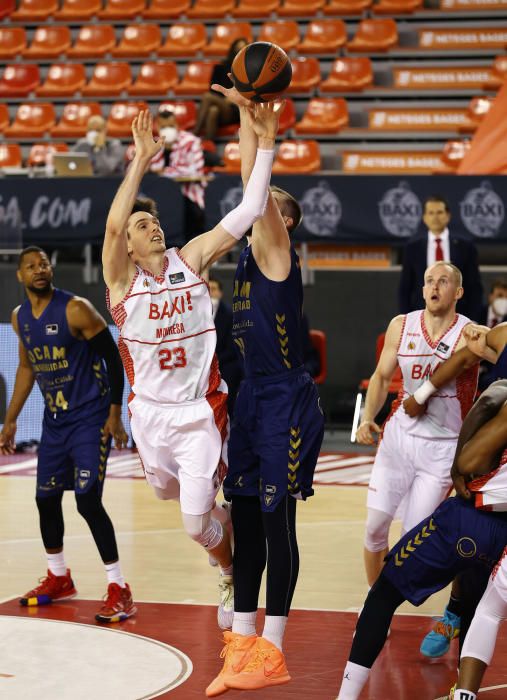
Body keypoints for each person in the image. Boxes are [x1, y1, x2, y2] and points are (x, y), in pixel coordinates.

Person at [102, 107, 280, 631]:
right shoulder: (121, 285)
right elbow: (113, 223)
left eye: (153, 221)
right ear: (129, 247)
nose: (150, 227)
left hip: (200, 412)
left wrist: (264, 145)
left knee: (193, 520)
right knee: (167, 494)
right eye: (141, 225)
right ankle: (220, 531)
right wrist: (140, 161)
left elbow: (250, 208)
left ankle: (225, 569)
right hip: (148, 416)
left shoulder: (192, 259)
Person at [205, 91, 325, 697]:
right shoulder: (247, 257)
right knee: (247, 522)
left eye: (269, 201)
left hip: (285, 402)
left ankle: (273, 649)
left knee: (278, 526)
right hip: (251, 399)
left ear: (285, 220)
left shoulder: (276, 250)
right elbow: (249, 184)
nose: (256, 202)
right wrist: (248, 116)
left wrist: (267, 137)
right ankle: (242, 645)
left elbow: (260, 190)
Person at [337, 379, 507, 700]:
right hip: (502, 540)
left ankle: (346, 695)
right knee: (481, 607)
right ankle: (464, 690)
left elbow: (488, 401)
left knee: (383, 595)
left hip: (470, 517)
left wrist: (457, 469)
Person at [0, 246, 135, 623]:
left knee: (88, 501)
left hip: (90, 419)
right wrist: (9, 420)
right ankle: (59, 576)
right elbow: (27, 368)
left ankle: (119, 587)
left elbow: (113, 357)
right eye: (31, 266)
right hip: (55, 422)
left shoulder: (76, 308)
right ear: (20, 276)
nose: (39, 269)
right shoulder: (19, 318)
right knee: (45, 499)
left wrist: (114, 414)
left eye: (43, 263)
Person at [357, 262, 478, 596]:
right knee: (374, 529)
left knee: (413, 540)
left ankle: (397, 596)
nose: (434, 286)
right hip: (399, 439)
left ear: (459, 292)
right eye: (428, 281)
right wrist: (368, 417)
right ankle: (375, 604)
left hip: (442, 447)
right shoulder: (402, 324)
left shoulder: (470, 333)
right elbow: (382, 377)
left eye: (443, 281)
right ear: (422, 289)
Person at [128, 104, 207, 242]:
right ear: (158, 127)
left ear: (177, 124)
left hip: (187, 194)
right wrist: (142, 161)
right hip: (160, 196)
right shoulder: (155, 143)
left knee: (187, 211)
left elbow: (195, 170)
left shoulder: (191, 142)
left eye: (171, 125)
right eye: (164, 126)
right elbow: (132, 168)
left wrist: (163, 171)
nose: (168, 130)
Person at [398, 195, 483, 321]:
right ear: (424, 218)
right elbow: (405, 288)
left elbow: (474, 287)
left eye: (439, 212)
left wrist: (472, 319)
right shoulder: (413, 248)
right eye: (431, 213)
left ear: (448, 215)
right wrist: (407, 320)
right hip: (422, 318)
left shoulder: (466, 247)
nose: (435, 217)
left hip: (459, 317)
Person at [194, 38, 248, 141]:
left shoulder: (248, 69)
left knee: (207, 97)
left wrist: (233, 98)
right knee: (213, 111)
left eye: (242, 49)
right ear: (233, 50)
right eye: (237, 49)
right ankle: (207, 145)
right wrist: (226, 97)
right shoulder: (220, 68)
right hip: (222, 103)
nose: (239, 52)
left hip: (236, 108)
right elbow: (213, 89)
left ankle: (195, 133)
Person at [209, 276, 242, 416]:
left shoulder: (230, 314)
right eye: (208, 289)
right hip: (202, 364)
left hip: (224, 362)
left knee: (232, 371)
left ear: (221, 293)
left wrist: (213, 363)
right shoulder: (194, 313)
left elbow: (232, 348)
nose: (210, 293)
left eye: (214, 289)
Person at [477, 279, 507, 391]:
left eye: (506, 298)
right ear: (490, 297)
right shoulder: (476, 314)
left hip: (495, 371)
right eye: (499, 296)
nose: (503, 301)